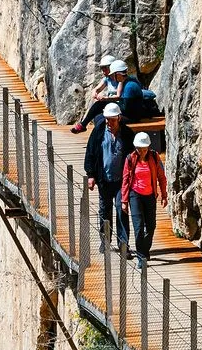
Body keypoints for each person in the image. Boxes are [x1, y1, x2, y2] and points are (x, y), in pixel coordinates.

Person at [83, 102, 133, 252]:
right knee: (104, 211)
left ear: (118, 118)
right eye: (107, 119)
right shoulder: (98, 132)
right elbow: (90, 153)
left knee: (121, 209)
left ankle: (123, 245)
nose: (109, 123)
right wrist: (91, 175)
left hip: (121, 181)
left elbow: (134, 157)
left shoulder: (127, 134)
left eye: (112, 119)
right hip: (104, 180)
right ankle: (105, 242)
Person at [120, 132, 167, 266]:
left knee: (151, 226)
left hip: (150, 195)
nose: (142, 152)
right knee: (138, 227)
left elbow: (161, 177)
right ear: (135, 148)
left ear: (148, 148)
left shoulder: (154, 157)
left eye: (144, 149)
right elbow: (125, 180)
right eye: (139, 149)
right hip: (135, 195)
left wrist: (164, 195)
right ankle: (141, 257)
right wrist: (124, 200)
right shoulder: (130, 159)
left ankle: (144, 250)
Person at [70, 55, 120, 132]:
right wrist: (95, 93)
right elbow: (97, 88)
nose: (103, 72)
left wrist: (105, 98)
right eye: (102, 69)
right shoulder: (108, 79)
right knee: (97, 108)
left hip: (118, 104)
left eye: (105, 69)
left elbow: (120, 96)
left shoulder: (119, 79)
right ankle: (85, 125)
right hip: (111, 103)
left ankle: (83, 124)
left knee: (99, 105)